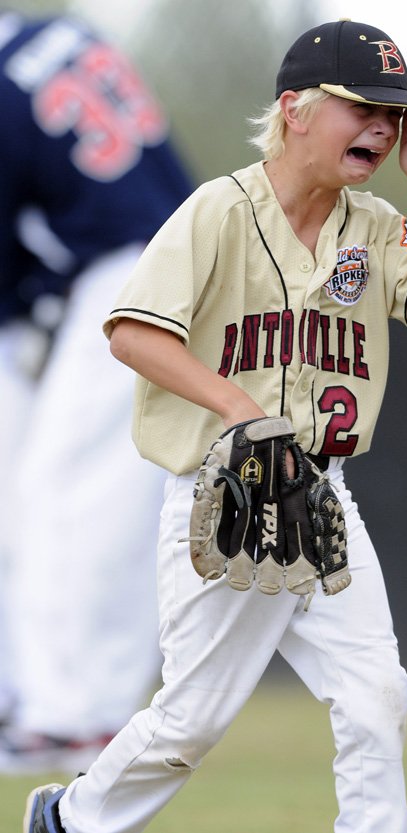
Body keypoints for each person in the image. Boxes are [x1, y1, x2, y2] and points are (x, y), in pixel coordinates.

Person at [24, 18, 407, 833]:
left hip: (322, 495)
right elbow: (131, 330)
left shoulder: (372, 227)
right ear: (295, 109)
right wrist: (237, 407)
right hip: (222, 492)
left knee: (376, 692)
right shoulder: (219, 211)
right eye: (361, 105)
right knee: (191, 719)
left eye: (394, 111)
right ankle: (72, 818)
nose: (383, 124)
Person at [0, 9, 194, 772]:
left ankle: (72, 713)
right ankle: (59, 701)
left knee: (71, 495)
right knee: (84, 495)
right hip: (171, 247)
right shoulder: (49, 34)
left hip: (128, 273)